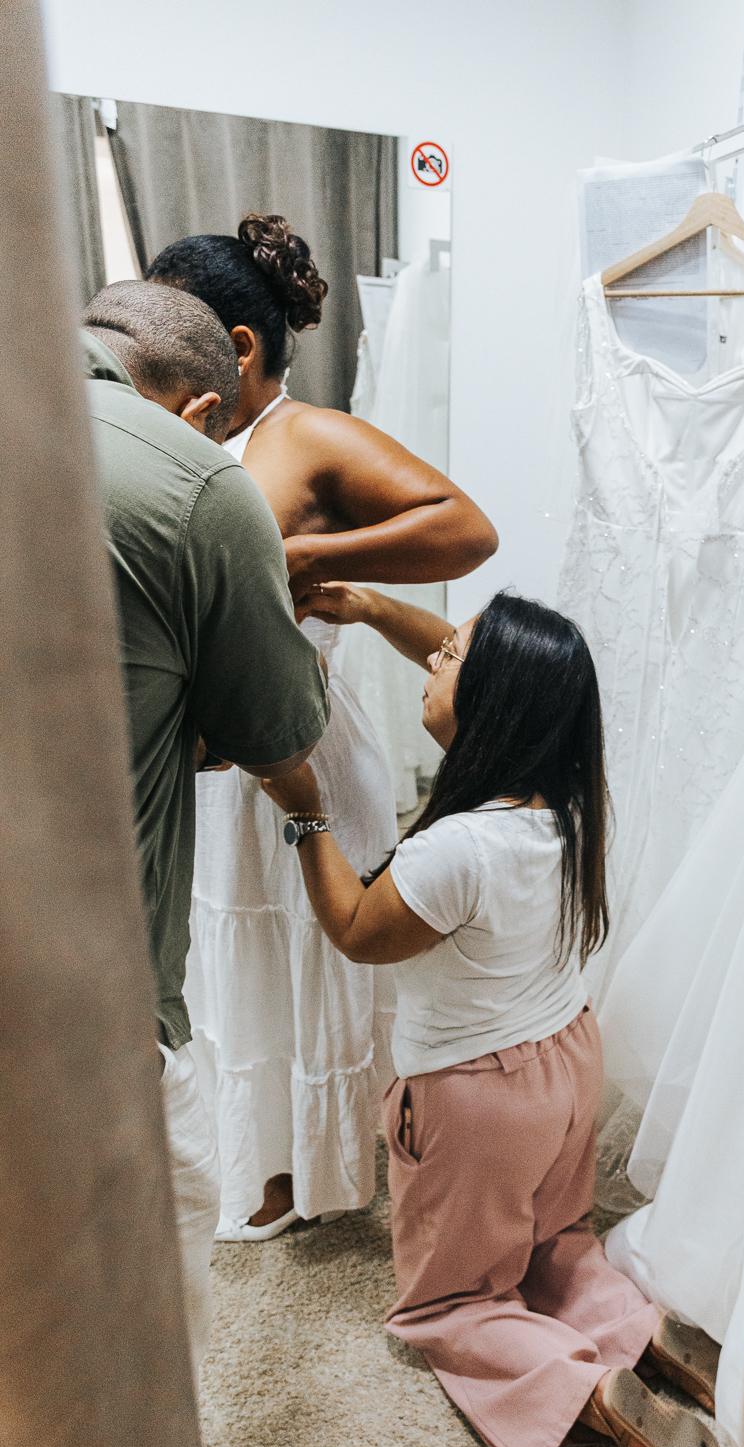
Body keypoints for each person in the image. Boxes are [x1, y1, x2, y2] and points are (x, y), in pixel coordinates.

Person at [259, 584, 722, 1447]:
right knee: (555, 1242)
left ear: (491, 703)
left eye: (448, 656)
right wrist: (369, 608)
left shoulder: (453, 850)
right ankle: (642, 1333)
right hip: (566, 1066)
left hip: (477, 1106)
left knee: (453, 1300)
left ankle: (576, 1387)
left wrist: (303, 805)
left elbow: (356, 930)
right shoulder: (575, 805)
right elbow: (478, 667)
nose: (431, 661)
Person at [143, 215, 498, 1238]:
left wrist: (306, 565)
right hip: (223, 757)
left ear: (238, 348)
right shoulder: (208, 436)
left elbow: (465, 528)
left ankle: (323, 1167)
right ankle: (265, 1157)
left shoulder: (304, 436)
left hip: (303, 737)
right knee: (240, 951)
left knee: (310, 944)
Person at [81, 281, 330, 1363]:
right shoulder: (194, 484)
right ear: (202, 409)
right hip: (84, 997)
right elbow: (275, 732)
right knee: (134, 1301)